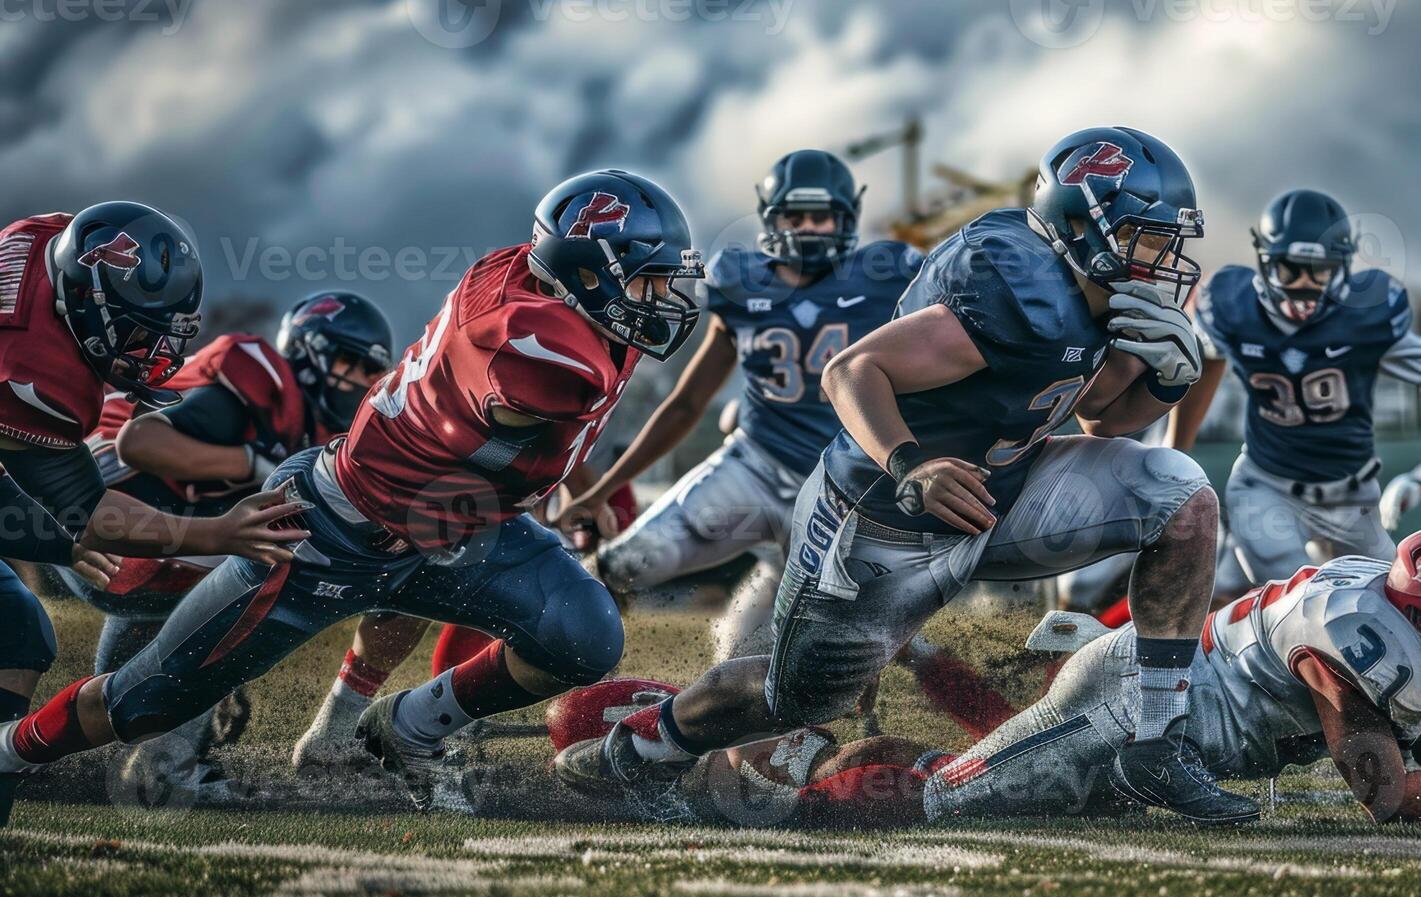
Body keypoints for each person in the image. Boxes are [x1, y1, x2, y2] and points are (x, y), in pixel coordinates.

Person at [556, 126, 1259, 824]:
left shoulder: (1096, 291)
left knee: (1181, 495)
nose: (1165, 256)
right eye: (1146, 236)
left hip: (998, 496)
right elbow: (854, 369)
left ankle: (1156, 740)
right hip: (884, 519)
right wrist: (911, 461)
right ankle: (641, 749)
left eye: (1170, 238)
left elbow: (1102, 420)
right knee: (795, 699)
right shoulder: (1022, 287)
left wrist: (1163, 384)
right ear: (1082, 227)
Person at [0, 170, 703, 814]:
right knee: (143, 701)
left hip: (446, 527)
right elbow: (536, 390)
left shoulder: (539, 278)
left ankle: (407, 729)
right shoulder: (531, 349)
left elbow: (535, 440)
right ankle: (14, 750)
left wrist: (570, 491)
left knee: (581, 633)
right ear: (586, 280)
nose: (664, 300)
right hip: (324, 532)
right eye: (648, 282)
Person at [569, 524, 1421, 830]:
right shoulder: (1360, 641)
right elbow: (1384, 788)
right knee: (918, 811)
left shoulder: (1382, 605)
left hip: (1154, 718)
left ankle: (794, 751)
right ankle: (701, 775)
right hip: (1128, 714)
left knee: (959, 779)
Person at [0, 201, 307, 826]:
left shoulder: (49, 242)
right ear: (85, 302)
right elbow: (93, 515)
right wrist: (220, 532)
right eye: (140, 331)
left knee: (16, 628)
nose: (156, 350)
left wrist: (56, 543)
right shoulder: (36, 376)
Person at [562, 150, 921, 660]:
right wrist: (601, 491)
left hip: (846, 484)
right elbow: (687, 403)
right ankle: (579, 677)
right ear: (772, 216)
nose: (811, 228)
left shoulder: (888, 277)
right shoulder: (741, 278)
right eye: (797, 215)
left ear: (847, 218)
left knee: (857, 643)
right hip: (754, 466)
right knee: (621, 565)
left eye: (823, 216)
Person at [1169, 190, 1421, 600]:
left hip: (1353, 497)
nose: (1304, 285)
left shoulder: (1365, 319)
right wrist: (1176, 454)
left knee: (1392, 608)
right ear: (1265, 262)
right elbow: (1208, 362)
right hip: (1267, 488)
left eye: (1318, 271)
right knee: (1302, 604)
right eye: (1291, 269)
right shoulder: (1234, 307)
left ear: (1342, 268)